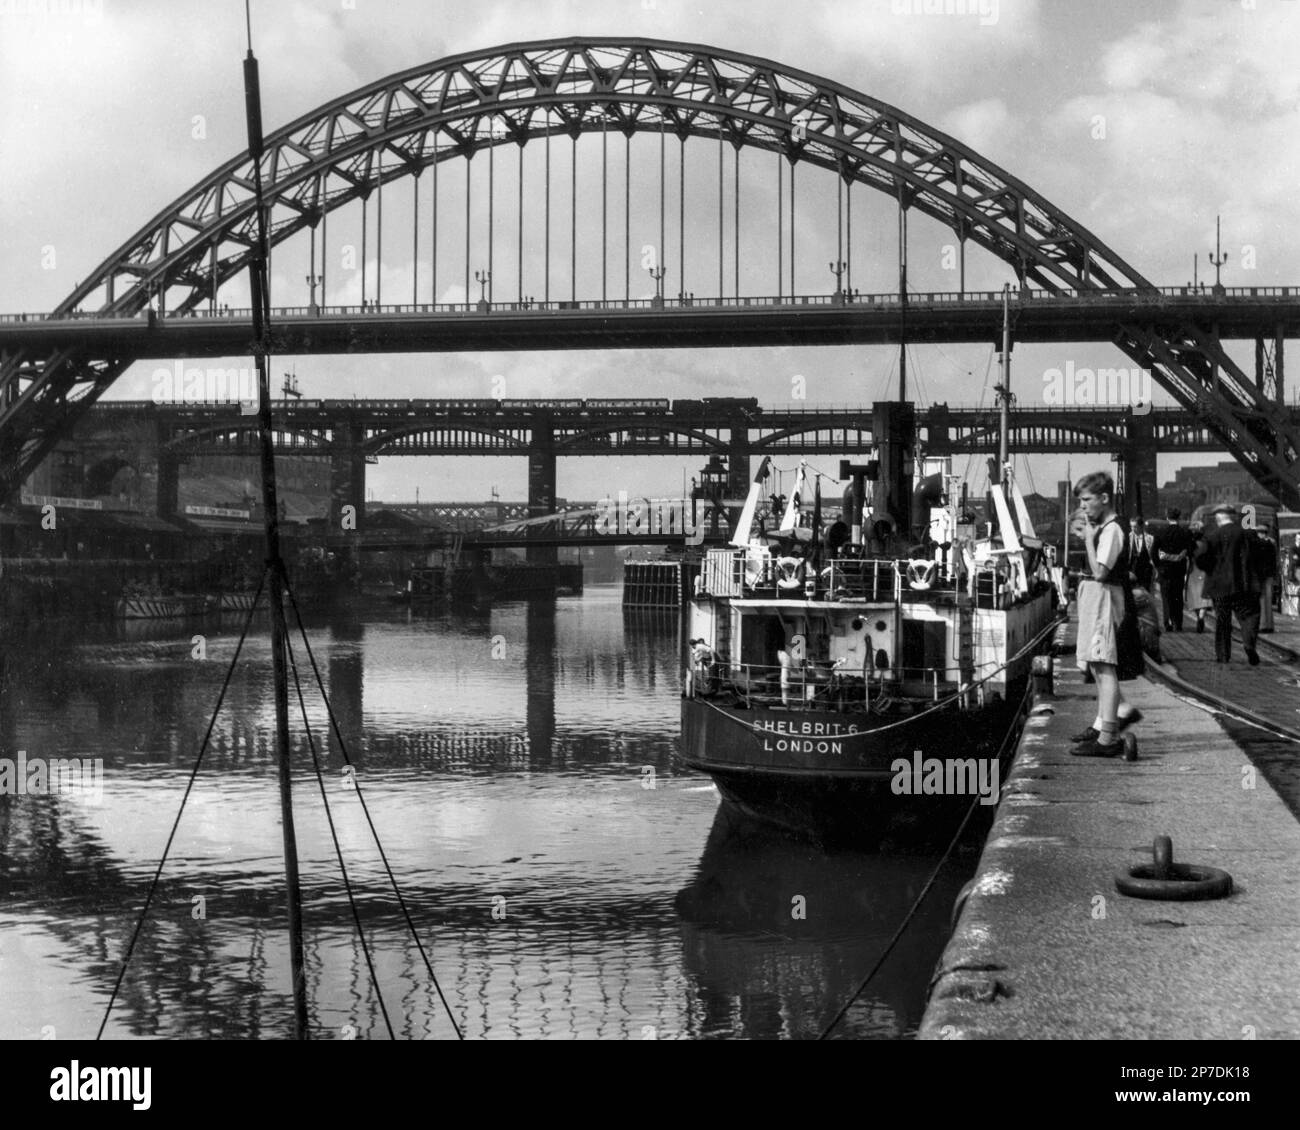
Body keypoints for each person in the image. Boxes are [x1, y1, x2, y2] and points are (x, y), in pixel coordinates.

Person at [1070, 472, 1142, 756]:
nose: (1083, 505)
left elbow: (1101, 572)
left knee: (1104, 665)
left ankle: (1108, 739)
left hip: (1105, 600)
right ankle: (1105, 727)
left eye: (1087, 500)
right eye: (1080, 500)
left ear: (1104, 498)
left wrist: (1089, 539)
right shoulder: (1106, 526)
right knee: (1098, 666)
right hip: (1097, 600)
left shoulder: (1112, 530)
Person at [1195, 503, 1262, 665]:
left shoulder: (1211, 536)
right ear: (1233, 517)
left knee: (1222, 621)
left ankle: (1223, 656)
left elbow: (1200, 559)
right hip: (1242, 585)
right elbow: (1257, 557)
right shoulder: (1246, 535)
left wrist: (1213, 570)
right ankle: (1248, 643)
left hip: (1219, 587)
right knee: (1248, 615)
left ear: (1218, 518)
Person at [1153, 508, 1194, 631]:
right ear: (1179, 517)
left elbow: (1153, 551)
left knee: (1166, 597)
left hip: (1164, 570)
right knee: (1177, 596)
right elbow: (1191, 550)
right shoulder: (1185, 533)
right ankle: (1178, 623)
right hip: (1179, 570)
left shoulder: (1161, 532)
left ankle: (1168, 622)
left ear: (1167, 517)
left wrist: (1158, 565)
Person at [1185, 517, 1211, 632]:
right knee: (1204, 597)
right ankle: (1201, 616)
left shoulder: (1190, 545)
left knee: (1194, 597)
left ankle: (1198, 617)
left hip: (1193, 571)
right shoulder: (1206, 544)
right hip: (1204, 572)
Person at [1254, 527, 1278, 633]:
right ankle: (1269, 625)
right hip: (1270, 575)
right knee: (1268, 600)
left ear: (1260, 534)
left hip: (1260, 576)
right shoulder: (1272, 544)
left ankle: (1262, 625)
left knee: (1261, 601)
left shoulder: (1258, 544)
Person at [1128, 517, 1156, 591]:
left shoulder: (1150, 538)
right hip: (1132, 570)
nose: (1133, 529)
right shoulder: (1128, 538)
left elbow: (1153, 555)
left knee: (1146, 592)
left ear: (1141, 526)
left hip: (1146, 571)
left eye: (1135, 527)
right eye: (1131, 526)